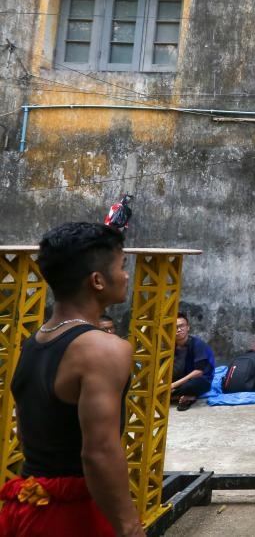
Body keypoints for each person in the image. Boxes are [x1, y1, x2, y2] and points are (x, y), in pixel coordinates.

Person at [0, 222, 143, 537]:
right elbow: (99, 451)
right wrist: (131, 527)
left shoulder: (34, 342)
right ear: (97, 281)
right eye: (121, 266)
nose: (126, 275)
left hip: (25, 505)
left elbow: (25, 433)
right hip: (73, 516)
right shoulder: (104, 350)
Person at [170, 314, 214, 412]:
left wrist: (173, 385)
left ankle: (173, 395)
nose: (179, 329)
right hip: (180, 377)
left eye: (182, 326)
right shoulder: (170, 345)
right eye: (175, 327)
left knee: (190, 386)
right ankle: (182, 397)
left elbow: (199, 372)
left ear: (188, 327)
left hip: (200, 380)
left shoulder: (197, 344)